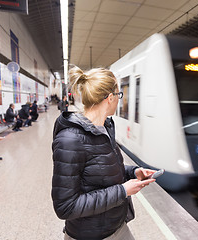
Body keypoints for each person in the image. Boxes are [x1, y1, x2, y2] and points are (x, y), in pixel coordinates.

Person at [52, 66, 156, 240]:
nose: (119, 100)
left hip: (117, 226)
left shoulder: (104, 128)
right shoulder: (70, 140)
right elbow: (65, 206)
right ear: (110, 98)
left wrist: (133, 172)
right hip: (89, 234)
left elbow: (102, 168)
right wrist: (123, 191)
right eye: (119, 95)